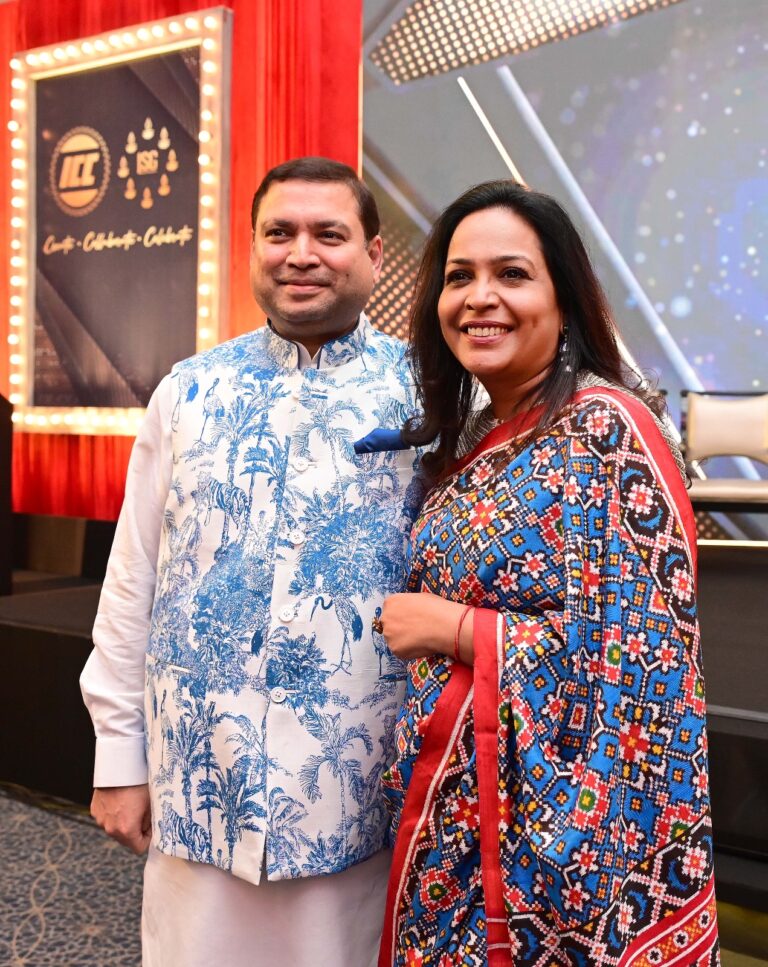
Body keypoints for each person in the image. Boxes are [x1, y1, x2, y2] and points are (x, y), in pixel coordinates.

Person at [80, 157, 424, 967]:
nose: (301, 252)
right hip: (199, 782)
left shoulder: (428, 395)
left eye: (328, 234)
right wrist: (116, 756)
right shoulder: (188, 392)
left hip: (357, 795)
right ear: (253, 248)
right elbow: (133, 579)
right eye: (280, 232)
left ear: (374, 254)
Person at [376, 181, 719, 965]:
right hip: (451, 837)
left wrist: (452, 627)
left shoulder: (607, 430)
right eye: (459, 276)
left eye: (512, 274)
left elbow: (643, 672)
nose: (479, 298)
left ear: (564, 299)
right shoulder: (478, 435)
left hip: (547, 867)